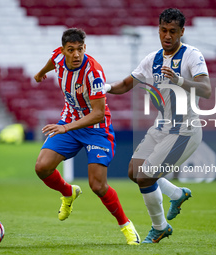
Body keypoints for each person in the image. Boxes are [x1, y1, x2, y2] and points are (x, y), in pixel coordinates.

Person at [105, 8, 211, 243]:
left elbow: (206, 90)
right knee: (134, 172)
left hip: (185, 130)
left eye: (173, 31)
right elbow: (126, 84)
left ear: (182, 32)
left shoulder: (192, 55)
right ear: (158, 29)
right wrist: (107, 88)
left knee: (145, 177)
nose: (167, 36)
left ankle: (159, 227)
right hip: (161, 127)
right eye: (163, 30)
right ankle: (177, 194)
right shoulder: (151, 59)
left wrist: (179, 80)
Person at [34, 28, 140, 245]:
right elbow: (53, 61)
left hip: (96, 129)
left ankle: (127, 226)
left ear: (85, 48)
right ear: (63, 50)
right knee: (42, 167)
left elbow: (98, 113)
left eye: (80, 49)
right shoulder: (58, 57)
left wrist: (66, 128)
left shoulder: (95, 73)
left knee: (98, 186)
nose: (76, 55)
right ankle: (68, 192)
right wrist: (41, 72)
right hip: (69, 121)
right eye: (70, 50)